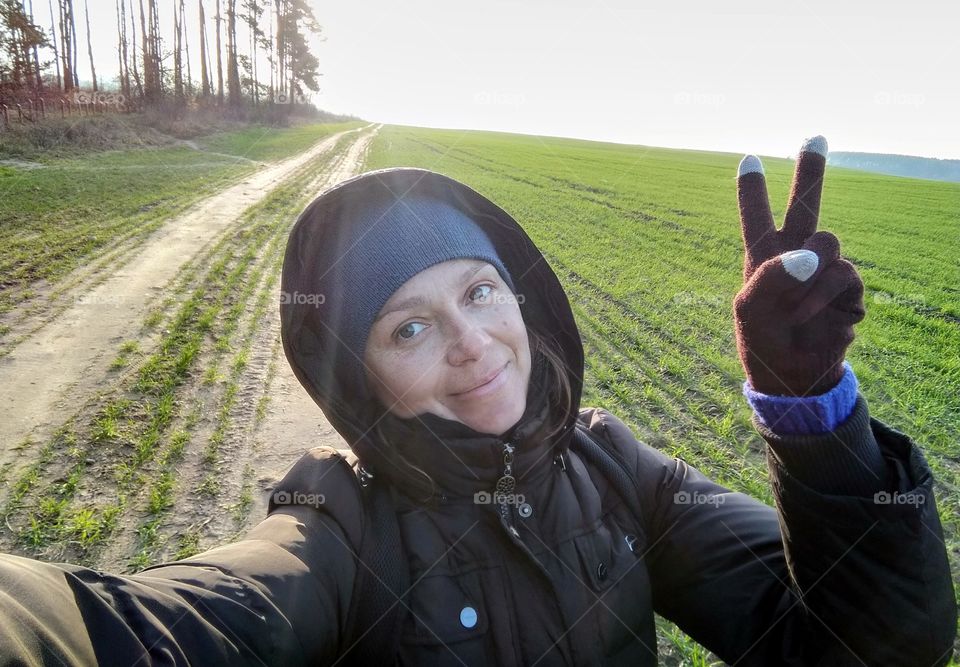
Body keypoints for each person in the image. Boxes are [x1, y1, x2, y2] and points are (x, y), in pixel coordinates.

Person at [0, 136, 954, 666]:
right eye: (406, 327)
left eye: (479, 291)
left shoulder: (621, 470)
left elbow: (872, 645)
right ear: (357, 376)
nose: (470, 344)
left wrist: (813, 409)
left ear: (521, 300)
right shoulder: (337, 528)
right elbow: (181, 620)